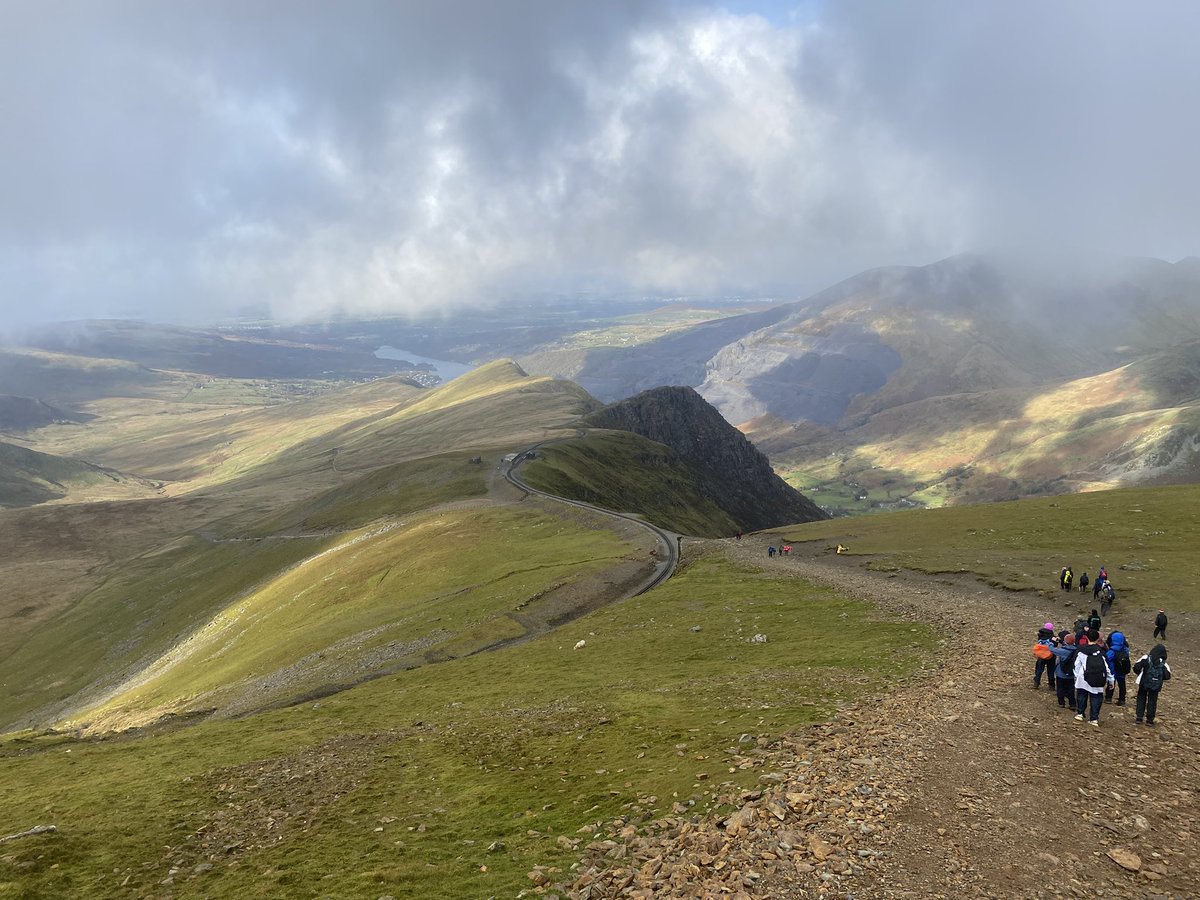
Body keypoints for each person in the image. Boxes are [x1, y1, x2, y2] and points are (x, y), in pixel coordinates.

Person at [1074, 635, 1115, 726]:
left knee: (1081, 695)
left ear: (1087, 638)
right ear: (1097, 639)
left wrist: (1077, 676)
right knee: (1096, 698)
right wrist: (1111, 680)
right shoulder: (1101, 652)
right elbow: (1106, 667)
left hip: (1083, 677)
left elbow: (1077, 665)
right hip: (1097, 678)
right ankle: (1094, 719)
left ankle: (1080, 714)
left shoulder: (1082, 651)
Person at [1132, 644, 1172, 726]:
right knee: (1152, 701)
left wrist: (1141, 674)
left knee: (1141, 698)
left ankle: (1139, 717)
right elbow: (1168, 676)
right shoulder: (1163, 663)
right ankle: (1150, 720)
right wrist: (1158, 678)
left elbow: (1136, 667)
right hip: (1156, 685)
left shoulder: (1146, 658)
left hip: (1143, 682)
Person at [1048, 632, 1077, 710]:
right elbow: (1068, 644)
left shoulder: (1062, 651)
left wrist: (1051, 642)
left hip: (1061, 673)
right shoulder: (1077, 650)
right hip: (1071, 673)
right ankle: (1072, 703)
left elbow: (1051, 649)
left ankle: (1061, 702)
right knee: (1071, 689)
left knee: (1060, 688)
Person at [1104, 631, 1131, 706]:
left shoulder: (1112, 650)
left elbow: (1107, 658)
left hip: (1113, 670)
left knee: (1111, 684)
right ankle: (1122, 699)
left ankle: (1108, 698)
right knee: (1122, 685)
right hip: (1122, 670)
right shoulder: (1125, 649)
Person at [1033, 623, 1057, 689]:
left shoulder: (1040, 635)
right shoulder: (1053, 637)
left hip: (1041, 655)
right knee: (1051, 670)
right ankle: (1051, 685)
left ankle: (1036, 683)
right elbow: (1055, 645)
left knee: (1039, 669)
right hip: (1050, 655)